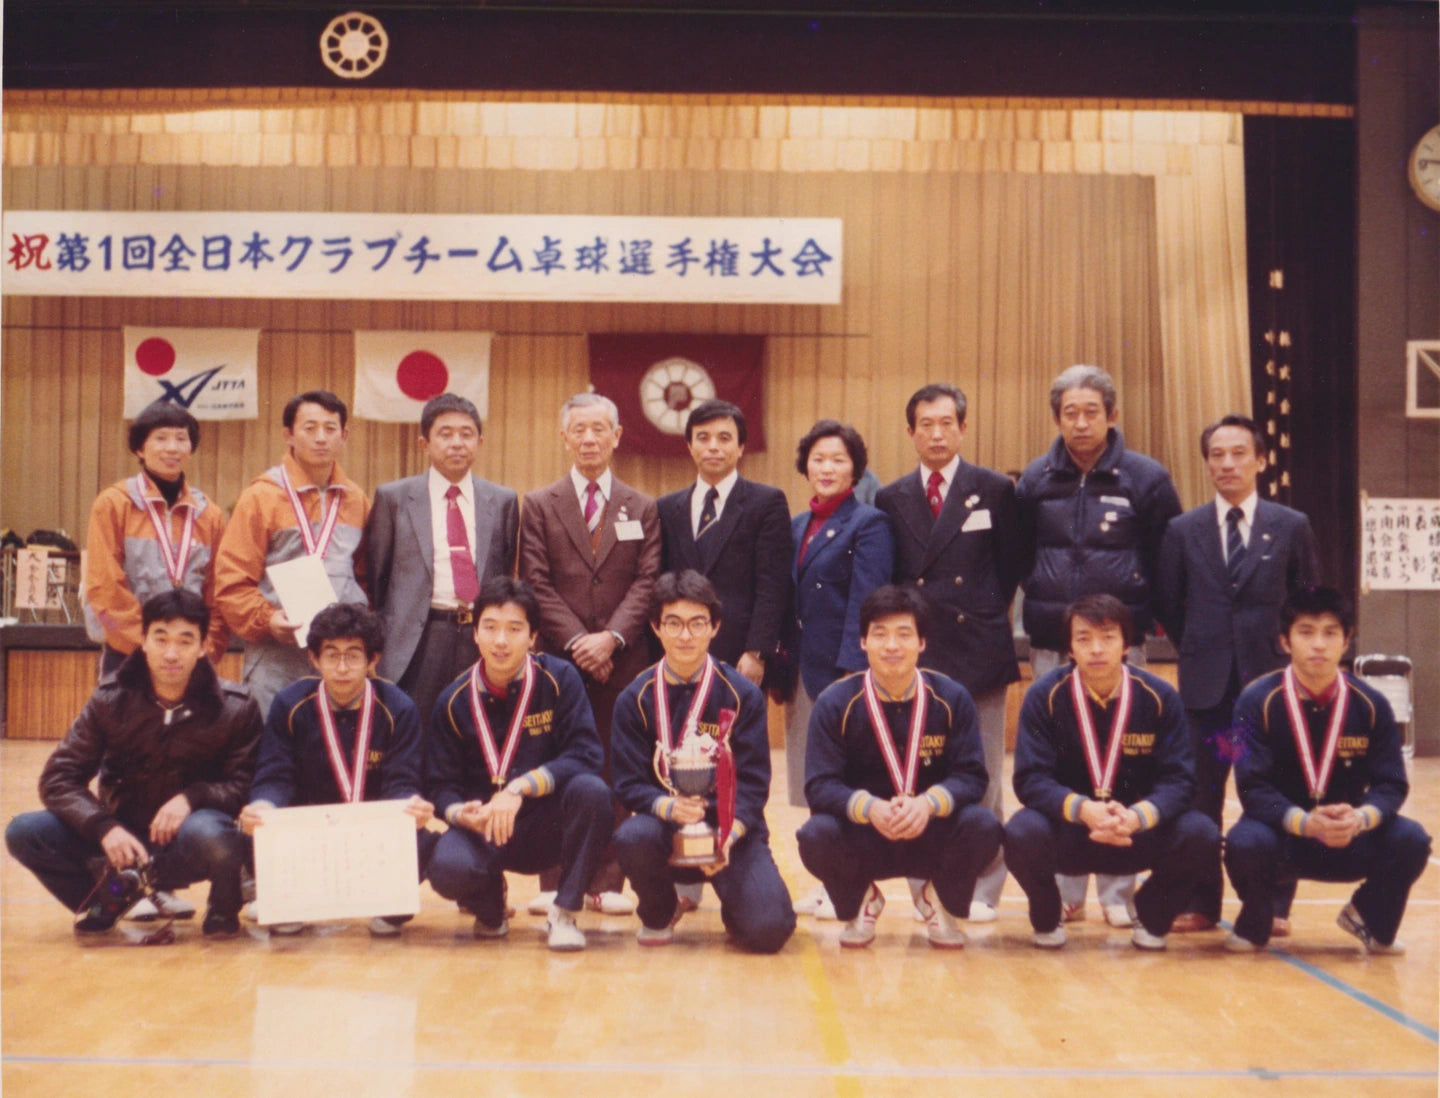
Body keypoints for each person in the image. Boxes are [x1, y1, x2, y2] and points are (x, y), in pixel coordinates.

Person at [1015, 364, 1182, 927]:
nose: (1081, 423)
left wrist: (1148, 628)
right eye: (1069, 413)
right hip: (1051, 643)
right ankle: (1067, 889)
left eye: (1092, 412)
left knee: (1123, 762)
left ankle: (1117, 893)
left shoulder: (1148, 479)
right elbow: (1018, 557)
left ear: (1113, 415)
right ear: (1056, 418)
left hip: (1120, 643)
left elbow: (1167, 560)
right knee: (1060, 759)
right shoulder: (1035, 479)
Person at [5, 589, 259, 938]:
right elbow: (59, 778)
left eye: (185, 641)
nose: (172, 653)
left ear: (203, 646)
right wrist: (103, 827)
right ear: (143, 641)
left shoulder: (236, 707)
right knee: (25, 832)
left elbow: (244, 783)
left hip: (187, 844)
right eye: (161, 639)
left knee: (214, 834)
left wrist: (192, 798)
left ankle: (223, 907)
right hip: (122, 840)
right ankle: (109, 899)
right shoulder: (111, 700)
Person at [1156, 414, 1321, 933]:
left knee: (1272, 793)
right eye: (1217, 455)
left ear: (1261, 460)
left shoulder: (1290, 525)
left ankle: (1272, 905)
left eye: (1238, 453)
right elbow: (1169, 602)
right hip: (1207, 694)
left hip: (1268, 691)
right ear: (1206, 463)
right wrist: (1202, 649)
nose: (1227, 464)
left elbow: (1307, 600)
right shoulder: (1183, 530)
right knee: (1201, 797)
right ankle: (1200, 902)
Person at [875, 383, 1023, 923]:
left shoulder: (994, 490)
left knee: (981, 776)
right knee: (914, 774)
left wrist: (981, 615)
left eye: (946, 423)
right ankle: (924, 887)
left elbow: (1010, 569)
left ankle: (984, 887)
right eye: (925, 424)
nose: (936, 433)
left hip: (978, 650)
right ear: (910, 431)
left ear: (962, 428)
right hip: (917, 656)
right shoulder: (891, 497)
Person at [1224, 587, 1431, 953]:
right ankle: (1256, 919)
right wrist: (1304, 822)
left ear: (1347, 641)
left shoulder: (1373, 704)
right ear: (1285, 642)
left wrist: (1361, 818)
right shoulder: (1252, 700)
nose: (1319, 644)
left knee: (1413, 839)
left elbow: (1392, 783)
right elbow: (1250, 787)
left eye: (1330, 632)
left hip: (1349, 836)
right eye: (1306, 632)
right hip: (1284, 836)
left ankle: (1371, 918)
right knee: (1242, 843)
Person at [1005, 594, 1217, 951]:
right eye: (1084, 639)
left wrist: (1137, 816)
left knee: (1201, 833)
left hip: (1135, 831)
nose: (1096, 649)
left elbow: (1179, 780)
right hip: (1072, 830)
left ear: (1127, 645)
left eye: (1108, 637)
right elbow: (1030, 778)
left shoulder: (1160, 696)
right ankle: (1046, 910)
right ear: (1070, 648)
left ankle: (1152, 911)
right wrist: (1084, 809)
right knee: (1021, 832)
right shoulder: (1045, 696)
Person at [517, 392, 660, 916]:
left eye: (600, 429)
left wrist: (612, 639)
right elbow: (535, 580)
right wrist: (579, 641)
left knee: (619, 771)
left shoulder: (642, 506)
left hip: (624, 662)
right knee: (562, 770)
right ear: (564, 437)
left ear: (618, 436)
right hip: (562, 663)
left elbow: (647, 582)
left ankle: (610, 883)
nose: (590, 439)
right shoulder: (538, 504)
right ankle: (557, 881)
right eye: (579, 429)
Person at [797, 584, 999, 949]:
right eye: (880, 634)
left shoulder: (952, 698)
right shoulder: (835, 702)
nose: (892, 646)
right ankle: (861, 899)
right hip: (865, 833)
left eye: (904, 634)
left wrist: (928, 803)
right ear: (863, 642)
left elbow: (972, 776)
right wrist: (870, 807)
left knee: (983, 825)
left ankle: (937, 900)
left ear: (922, 642)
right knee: (814, 835)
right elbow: (819, 784)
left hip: (929, 830)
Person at [425, 577, 614, 951]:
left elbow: (586, 754)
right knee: (446, 868)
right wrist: (461, 813)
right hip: (484, 826)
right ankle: (490, 908)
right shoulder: (452, 700)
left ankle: (564, 911)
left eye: (514, 629)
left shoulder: (560, 680)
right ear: (475, 634)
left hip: (546, 822)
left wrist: (520, 787)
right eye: (490, 628)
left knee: (593, 793)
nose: (501, 640)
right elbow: (438, 785)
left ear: (533, 637)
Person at [611, 570, 795, 953]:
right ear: (655, 627)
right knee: (631, 836)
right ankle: (661, 909)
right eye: (673, 624)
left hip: (729, 831)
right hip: (664, 826)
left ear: (715, 627)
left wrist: (730, 833)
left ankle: (737, 907)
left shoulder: (742, 694)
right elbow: (628, 783)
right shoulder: (635, 698)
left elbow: (755, 782)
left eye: (697, 624)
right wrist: (668, 806)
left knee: (769, 931)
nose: (685, 635)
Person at [238, 603, 435, 938]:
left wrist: (410, 808)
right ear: (314, 659)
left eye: (353, 655)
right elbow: (275, 775)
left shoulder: (399, 708)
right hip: (311, 833)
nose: (342, 667)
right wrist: (263, 807)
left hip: (369, 835)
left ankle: (387, 903)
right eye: (331, 655)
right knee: (251, 824)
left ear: (373, 660)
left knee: (426, 842)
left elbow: (401, 782)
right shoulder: (290, 704)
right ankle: (288, 900)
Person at [787, 419, 895, 918]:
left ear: (855, 468)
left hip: (843, 673)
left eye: (838, 460)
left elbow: (867, 599)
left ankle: (853, 885)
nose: (827, 468)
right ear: (805, 466)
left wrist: (854, 667)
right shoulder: (794, 526)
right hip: (802, 670)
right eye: (818, 459)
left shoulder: (868, 523)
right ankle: (833, 881)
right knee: (816, 783)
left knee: (850, 780)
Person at [215, 390, 370, 716]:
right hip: (277, 653)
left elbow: (368, 576)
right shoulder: (260, 497)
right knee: (274, 750)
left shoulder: (357, 501)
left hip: (339, 657)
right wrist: (268, 619)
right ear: (288, 435)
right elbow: (231, 582)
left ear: (344, 436)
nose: (320, 438)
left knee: (339, 756)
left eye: (330, 429)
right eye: (309, 428)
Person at [366, 393, 518, 724]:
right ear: (424, 442)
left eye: (466, 434)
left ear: (479, 442)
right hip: (417, 640)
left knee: (478, 731)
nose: (456, 443)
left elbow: (504, 572)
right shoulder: (393, 498)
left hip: (480, 638)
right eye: (445, 434)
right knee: (413, 734)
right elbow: (376, 578)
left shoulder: (503, 501)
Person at [83, 400, 230, 675]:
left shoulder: (208, 514)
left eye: (180, 438)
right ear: (139, 448)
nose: (172, 448)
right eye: (161, 438)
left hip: (191, 657)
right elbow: (104, 587)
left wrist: (207, 647)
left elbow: (217, 591)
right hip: (128, 654)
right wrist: (151, 645)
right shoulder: (114, 504)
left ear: (191, 447)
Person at [656, 399, 791, 687]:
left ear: (741, 447)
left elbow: (773, 583)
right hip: (679, 649)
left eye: (724, 438)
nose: (713, 446)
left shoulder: (767, 502)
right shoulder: (667, 508)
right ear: (690, 447)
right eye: (703, 438)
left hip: (740, 653)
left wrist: (757, 651)